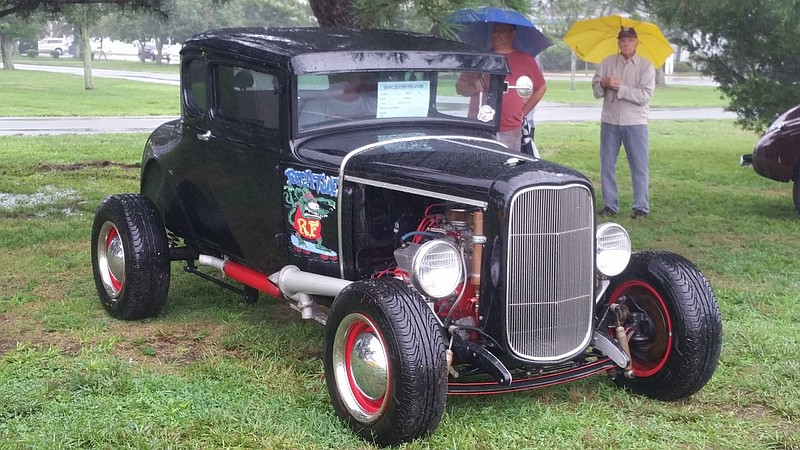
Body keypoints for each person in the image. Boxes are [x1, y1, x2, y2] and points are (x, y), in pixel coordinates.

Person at [592, 27, 655, 219]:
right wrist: (604, 82)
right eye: (622, 41)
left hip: (635, 122)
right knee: (607, 165)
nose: (625, 44)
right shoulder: (608, 62)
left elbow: (644, 95)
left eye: (629, 40)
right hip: (610, 121)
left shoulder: (646, 66)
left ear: (636, 43)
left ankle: (641, 207)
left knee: (639, 166)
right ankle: (610, 205)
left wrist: (621, 88)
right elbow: (595, 89)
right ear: (618, 43)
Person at [456, 23, 547, 152]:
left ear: (513, 34)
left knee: (508, 165)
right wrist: (473, 88)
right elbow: (460, 88)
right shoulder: (479, 58)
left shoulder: (526, 60)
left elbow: (541, 88)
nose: (495, 34)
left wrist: (522, 114)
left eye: (501, 30)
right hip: (478, 125)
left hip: (509, 128)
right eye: (494, 30)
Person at [299, 73, 377, 128]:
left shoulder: (376, 104)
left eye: (353, 73)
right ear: (333, 78)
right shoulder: (315, 106)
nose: (348, 77)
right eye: (344, 75)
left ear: (360, 79)